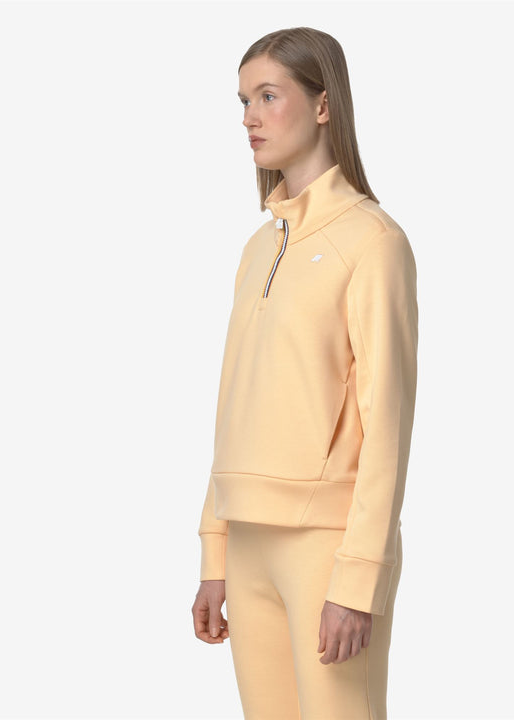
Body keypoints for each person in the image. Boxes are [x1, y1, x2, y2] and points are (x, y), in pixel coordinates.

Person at [191, 26, 419, 720]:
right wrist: (214, 553)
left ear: (323, 105)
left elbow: (387, 424)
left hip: (327, 546)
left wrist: (359, 579)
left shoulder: (372, 242)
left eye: (268, 96)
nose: (249, 118)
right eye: (243, 101)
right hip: (248, 540)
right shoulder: (258, 247)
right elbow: (233, 403)